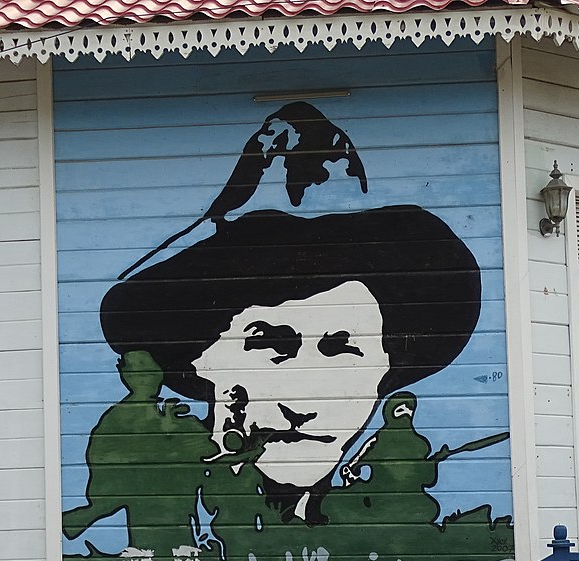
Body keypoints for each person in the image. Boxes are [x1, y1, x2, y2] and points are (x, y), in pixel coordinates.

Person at [99, 203, 481, 524]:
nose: (300, 406)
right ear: (203, 361)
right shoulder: (171, 508)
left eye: (342, 349)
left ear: (383, 371)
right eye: (268, 345)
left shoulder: (369, 517)